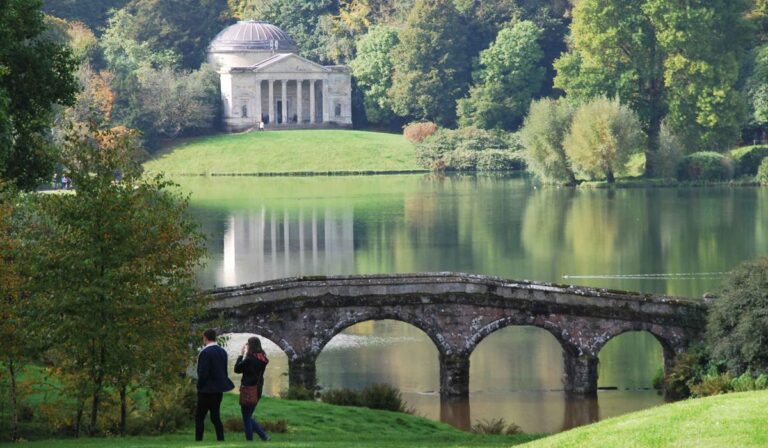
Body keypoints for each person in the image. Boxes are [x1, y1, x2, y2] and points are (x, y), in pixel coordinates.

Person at [195, 329, 235, 442]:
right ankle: (221, 439)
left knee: (199, 417)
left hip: (206, 390)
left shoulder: (205, 352)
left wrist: (199, 385)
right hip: (218, 390)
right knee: (215, 417)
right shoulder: (222, 351)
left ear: (205, 338)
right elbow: (223, 371)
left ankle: (198, 440)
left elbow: (203, 373)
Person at [234, 336, 271, 442]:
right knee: (248, 416)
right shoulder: (262, 358)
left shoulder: (249, 360)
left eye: (248, 344)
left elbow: (237, 369)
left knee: (246, 417)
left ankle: (254, 440)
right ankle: (264, 436)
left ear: (250, 346)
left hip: (248, 390)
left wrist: (241, 355)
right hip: (258, 389)